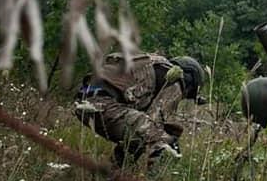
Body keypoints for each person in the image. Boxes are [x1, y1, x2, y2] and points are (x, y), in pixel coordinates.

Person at [74, 52, 206, 171]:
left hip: (85, 99)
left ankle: (113, 180)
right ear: (190, 80)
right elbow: (156, 121)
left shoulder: (152, 62)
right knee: (163, 143)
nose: (183, 95)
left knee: (135, 138)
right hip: (105, 103)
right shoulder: (175, 80)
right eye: (188, 94)